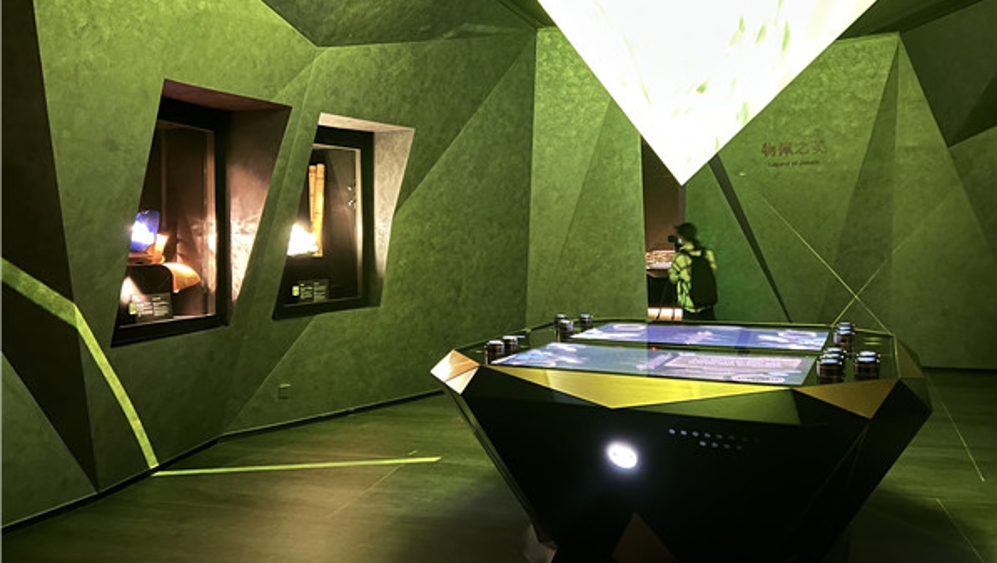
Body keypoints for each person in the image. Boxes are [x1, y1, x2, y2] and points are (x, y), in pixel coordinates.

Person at [668, 222, 717, 321]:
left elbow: (672, 279)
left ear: (681, 237)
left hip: (690, 304)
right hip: (707, 303)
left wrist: (681, 275)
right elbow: (713, 271)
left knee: (689, 330)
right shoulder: (707, 253)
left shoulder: (680, 257)